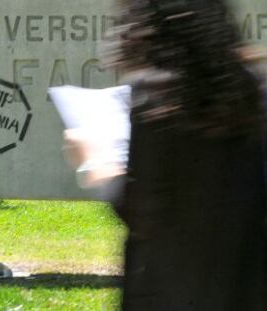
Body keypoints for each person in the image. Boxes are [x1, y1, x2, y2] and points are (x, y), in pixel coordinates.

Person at [64, 0, 267, 310]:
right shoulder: (253, 91)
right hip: (241, 289)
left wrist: (97, 161)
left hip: (169, 291)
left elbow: (140, 210)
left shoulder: (156, 102)